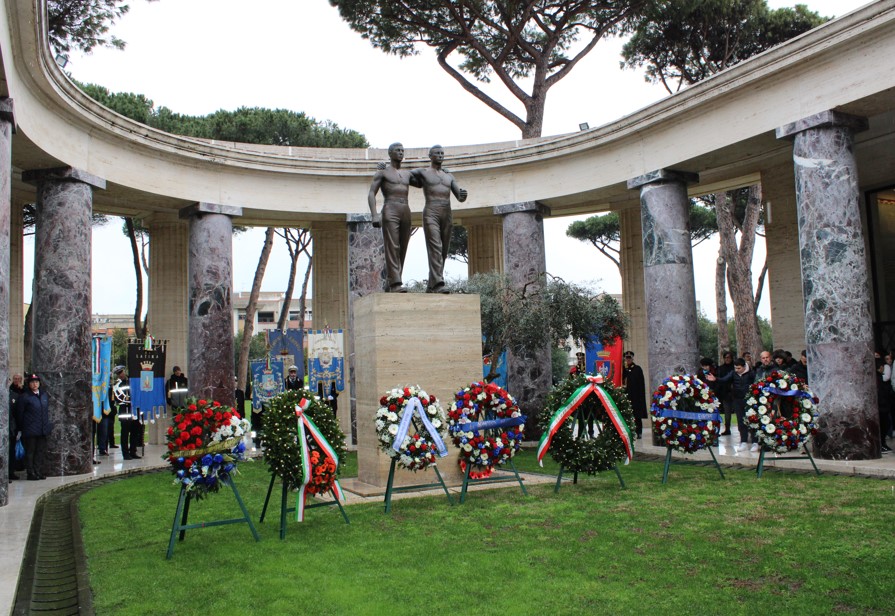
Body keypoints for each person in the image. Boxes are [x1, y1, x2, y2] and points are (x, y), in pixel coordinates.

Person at [411, 144, 468, 294]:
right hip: (431, 211)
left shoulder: (449, 176)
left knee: (443, 250)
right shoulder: (423, 173)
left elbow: (459, 196)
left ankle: (432, 285)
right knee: (435, 247)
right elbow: (403, 176)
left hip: (446, 212)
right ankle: (438, 283)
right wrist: (383, 170)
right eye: (437, 153)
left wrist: (463, 194)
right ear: (430, 156)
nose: (440, 155)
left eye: (442, 153)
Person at [368, 142, 415, 293]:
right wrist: (375, 214)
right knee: (392, 247)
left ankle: (393, 281)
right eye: (397, 150)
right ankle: (395, 283)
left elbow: (425, 180)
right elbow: (371, 193)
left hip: (405, 209)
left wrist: (442, 170)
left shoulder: (407, 174)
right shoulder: (382, 172)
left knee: (403, 247)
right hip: (390, 209)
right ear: (390, 153)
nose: (401, 152)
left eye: (402, 150)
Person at [709, 358, 755, 452]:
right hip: (737, 399)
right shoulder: (733, 373)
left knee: (752, 420)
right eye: (735, 368)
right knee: (740, 421)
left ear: (743, 367)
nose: (737, 370)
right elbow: (725, 379)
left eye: (738, 368)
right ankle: (743, 441)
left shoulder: (751, 374)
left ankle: (755, 441)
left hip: (749, 400)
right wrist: (715, 379)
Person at [15, 374, 51, 480]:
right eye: (32, 382)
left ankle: (38, 470)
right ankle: (31, 472)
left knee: (40, 451)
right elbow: (19, 414)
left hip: (42, 429)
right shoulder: (25, 397)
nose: (34, 384)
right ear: (29, 384)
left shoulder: (43, 395)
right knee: (30, 452)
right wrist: (21, 428)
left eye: (36, 382)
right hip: (30, 430)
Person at [112, 366, 141, 460]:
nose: (121, 374)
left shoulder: (132, 380)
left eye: (122, 372)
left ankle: (133, 451)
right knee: (125, 433)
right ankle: (125, 453)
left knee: (135, 432)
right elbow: (118, 399)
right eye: (119, 373)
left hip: (134, 410)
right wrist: (129, 400)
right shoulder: (117, 384)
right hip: (125, 410)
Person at [622, 351, 647, 439]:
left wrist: (640, 397)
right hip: (626, 396)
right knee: (627, 415)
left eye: (629, 358)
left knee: (637, 416)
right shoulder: (623, 370)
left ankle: (639, 432)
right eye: (626, 358)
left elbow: (641, 384)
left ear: (632, 359)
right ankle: (629, 432)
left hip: (635, 396)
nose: (628, 360)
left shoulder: (637, 369)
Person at [8, 374, 25, 481]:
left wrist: (19, 429)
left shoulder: (14, 395)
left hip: (11, 429)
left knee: (11, 452)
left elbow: (17, 414)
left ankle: (10, 473)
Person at [716, 352, 735, 435]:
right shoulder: (721, 368)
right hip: (725, 393)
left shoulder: (735, 367)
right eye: (726, 357)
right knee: (727, 412)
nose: (727, 359)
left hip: (735, 392)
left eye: (729, 357)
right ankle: (727, 428)